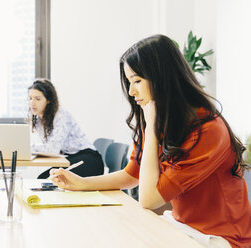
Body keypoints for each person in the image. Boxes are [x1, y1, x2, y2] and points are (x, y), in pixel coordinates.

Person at [49, 35, 251, 248]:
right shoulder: (160, 119)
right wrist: (81, 183)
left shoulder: (208, 130)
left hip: (221, 239)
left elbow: (148, 199)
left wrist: (152, 127)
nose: (131, 91)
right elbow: (132, 174)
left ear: (163, 78)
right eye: (129, 82)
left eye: (137, 81)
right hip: (184, 227)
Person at [28, 78, 104, 179]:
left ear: (48, 100)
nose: (32, 103)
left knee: (45, 180)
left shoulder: (61, 115)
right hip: (71, 158)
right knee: (43, 178)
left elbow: (52, 149)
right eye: (30, 98)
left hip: (88, 160)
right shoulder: (38, 119)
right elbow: (51, 148)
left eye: (38, 99)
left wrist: (27, 148)